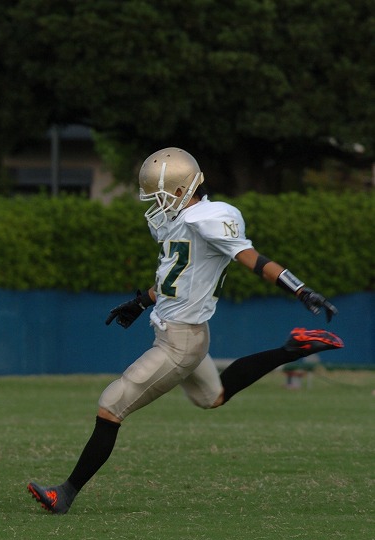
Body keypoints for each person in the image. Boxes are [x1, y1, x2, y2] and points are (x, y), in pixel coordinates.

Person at [27, 147, 344, 514]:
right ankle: (292, 349)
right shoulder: (180, 222)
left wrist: (300, 289)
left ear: (181, 190)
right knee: (213, 396)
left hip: (180, 343)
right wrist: (141, 302)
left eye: (161, 195)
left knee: (111, 406)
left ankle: (64, 494)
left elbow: (252, 259)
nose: (157, 204)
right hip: (184, 334)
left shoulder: (210, 218)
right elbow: (176, 277)